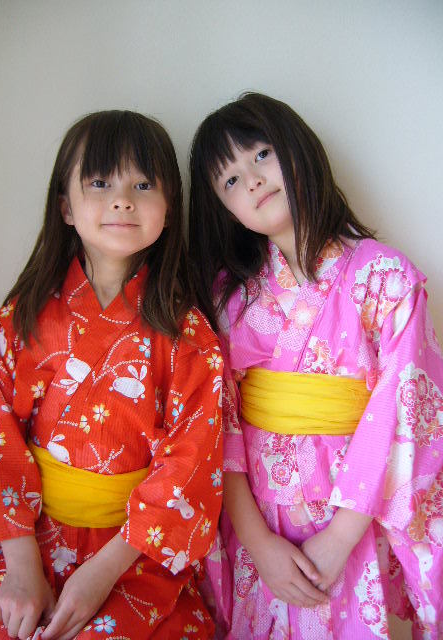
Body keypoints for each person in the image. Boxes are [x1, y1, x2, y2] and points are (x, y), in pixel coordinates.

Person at [188, 92, 443, 639]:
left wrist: (340, 538)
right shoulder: (227, 298)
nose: (252, 180)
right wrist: (258, 543)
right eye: (229, 179)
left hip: (351, 521)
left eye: (261, 154)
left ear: (297, 147)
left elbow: (404, 413)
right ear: (223, 208)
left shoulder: (385, 277)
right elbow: (217, 424)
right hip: (260, 523)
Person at [0, 110, 223, 640]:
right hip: (31, 547)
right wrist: (23, 570)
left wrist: (101, 575)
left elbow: (190, 464)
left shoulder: (189, 335)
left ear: (169, 207)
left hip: (137, 556)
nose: (122, 200)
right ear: (65, 206)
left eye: (143, 185)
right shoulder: (20, 320)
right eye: (100, 182)